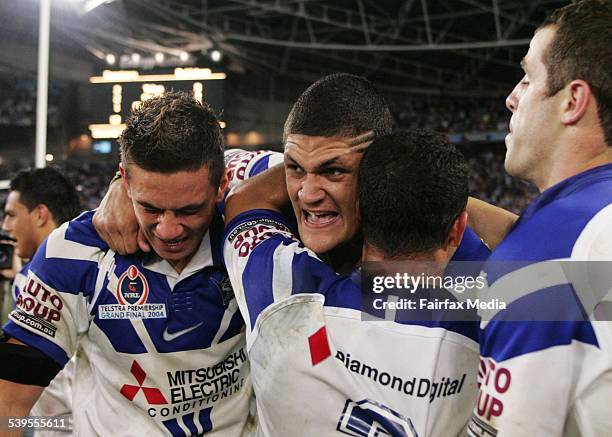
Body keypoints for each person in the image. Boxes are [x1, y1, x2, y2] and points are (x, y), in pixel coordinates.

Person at [0, 92, 280, 436]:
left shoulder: (246, 232)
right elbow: (8, 403)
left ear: (221, 183)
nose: (169, 229)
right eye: (150, 207)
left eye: (189, 209)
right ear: (126, 180)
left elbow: (318, 166)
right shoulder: (73, 253)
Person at [223, 129, 480, 436]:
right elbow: (537, 244)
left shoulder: (286, 297)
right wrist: (436, 199)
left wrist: (337, 166)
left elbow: (245, 200)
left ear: (358, 210)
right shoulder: (503, 308)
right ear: (458, 228)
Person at [468, 1, 612, 435]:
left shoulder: (542, 258)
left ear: (572, 101)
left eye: (528, 78)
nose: (512, 96)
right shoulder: (584, 228)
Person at [2, 167, 81, 436]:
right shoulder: (93, 264)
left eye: (11, 215)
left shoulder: (36, 282)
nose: (5, 226)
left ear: (40, 214)